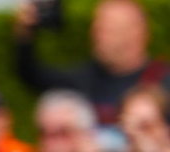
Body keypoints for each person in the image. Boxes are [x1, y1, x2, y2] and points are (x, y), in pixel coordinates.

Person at [14, 0, 170, 129]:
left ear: (136, 33)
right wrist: (25, 34)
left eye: (106, 30)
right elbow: (33, 75)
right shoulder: (86, 78)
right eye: (95, 28)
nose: (95, 36)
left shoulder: (163, 82)